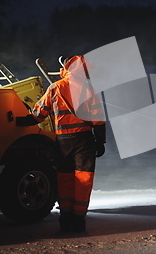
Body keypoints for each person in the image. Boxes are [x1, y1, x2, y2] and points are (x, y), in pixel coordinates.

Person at [22, 55, 106, 232]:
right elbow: (98, 118)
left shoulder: (55, 88)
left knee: (64, 178)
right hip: (84, 141)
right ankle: (78, 220)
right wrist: (100, 141)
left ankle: (65, 217)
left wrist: (20, 121)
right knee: (83, 179)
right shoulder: (89, 89)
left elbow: (38, 115)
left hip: (62, 142)